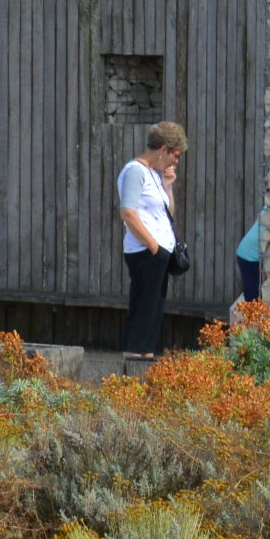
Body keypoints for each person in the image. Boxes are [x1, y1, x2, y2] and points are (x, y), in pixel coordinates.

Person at [117, 120, 186, 367]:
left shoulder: (153, 175)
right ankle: (133, 358)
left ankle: (145, 357)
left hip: (157, 253)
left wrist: (168, 187)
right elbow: (128, 213)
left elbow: (168, 213)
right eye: (175, 155)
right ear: (163, 149)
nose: (176, 161)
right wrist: (154, 247)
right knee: (143, 305)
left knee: (154, 308)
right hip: (144, 251)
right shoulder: (135, 171)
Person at [236, 207, 267, 305]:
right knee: (253, 297)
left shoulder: (267, 208)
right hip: (249, 257)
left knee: (252, 292)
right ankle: (251, 313)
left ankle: (251, 311)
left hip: (246, 252)